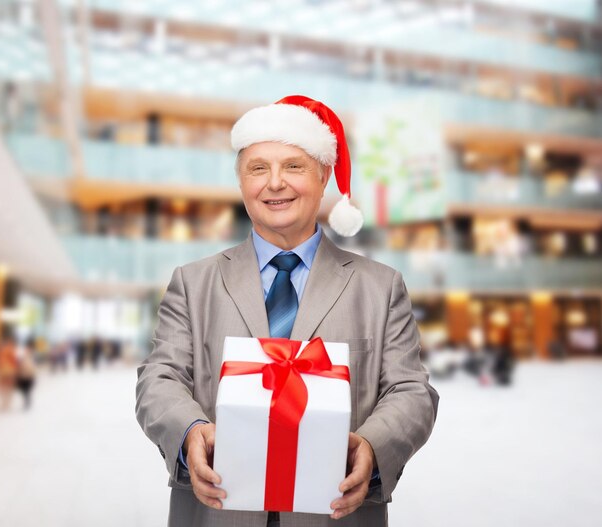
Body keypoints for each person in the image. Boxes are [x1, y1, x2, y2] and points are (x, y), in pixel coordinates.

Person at [136, 95, 439, 527]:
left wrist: (372, 445)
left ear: (323, 175)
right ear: (241, 182)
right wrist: (189, 433)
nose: (274, 183)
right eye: (258, 168)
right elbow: (158, 378)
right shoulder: (193, 282)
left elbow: (412, 391)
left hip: (336, 513)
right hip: (219, 510)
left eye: (293, 166)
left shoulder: (380, 287)